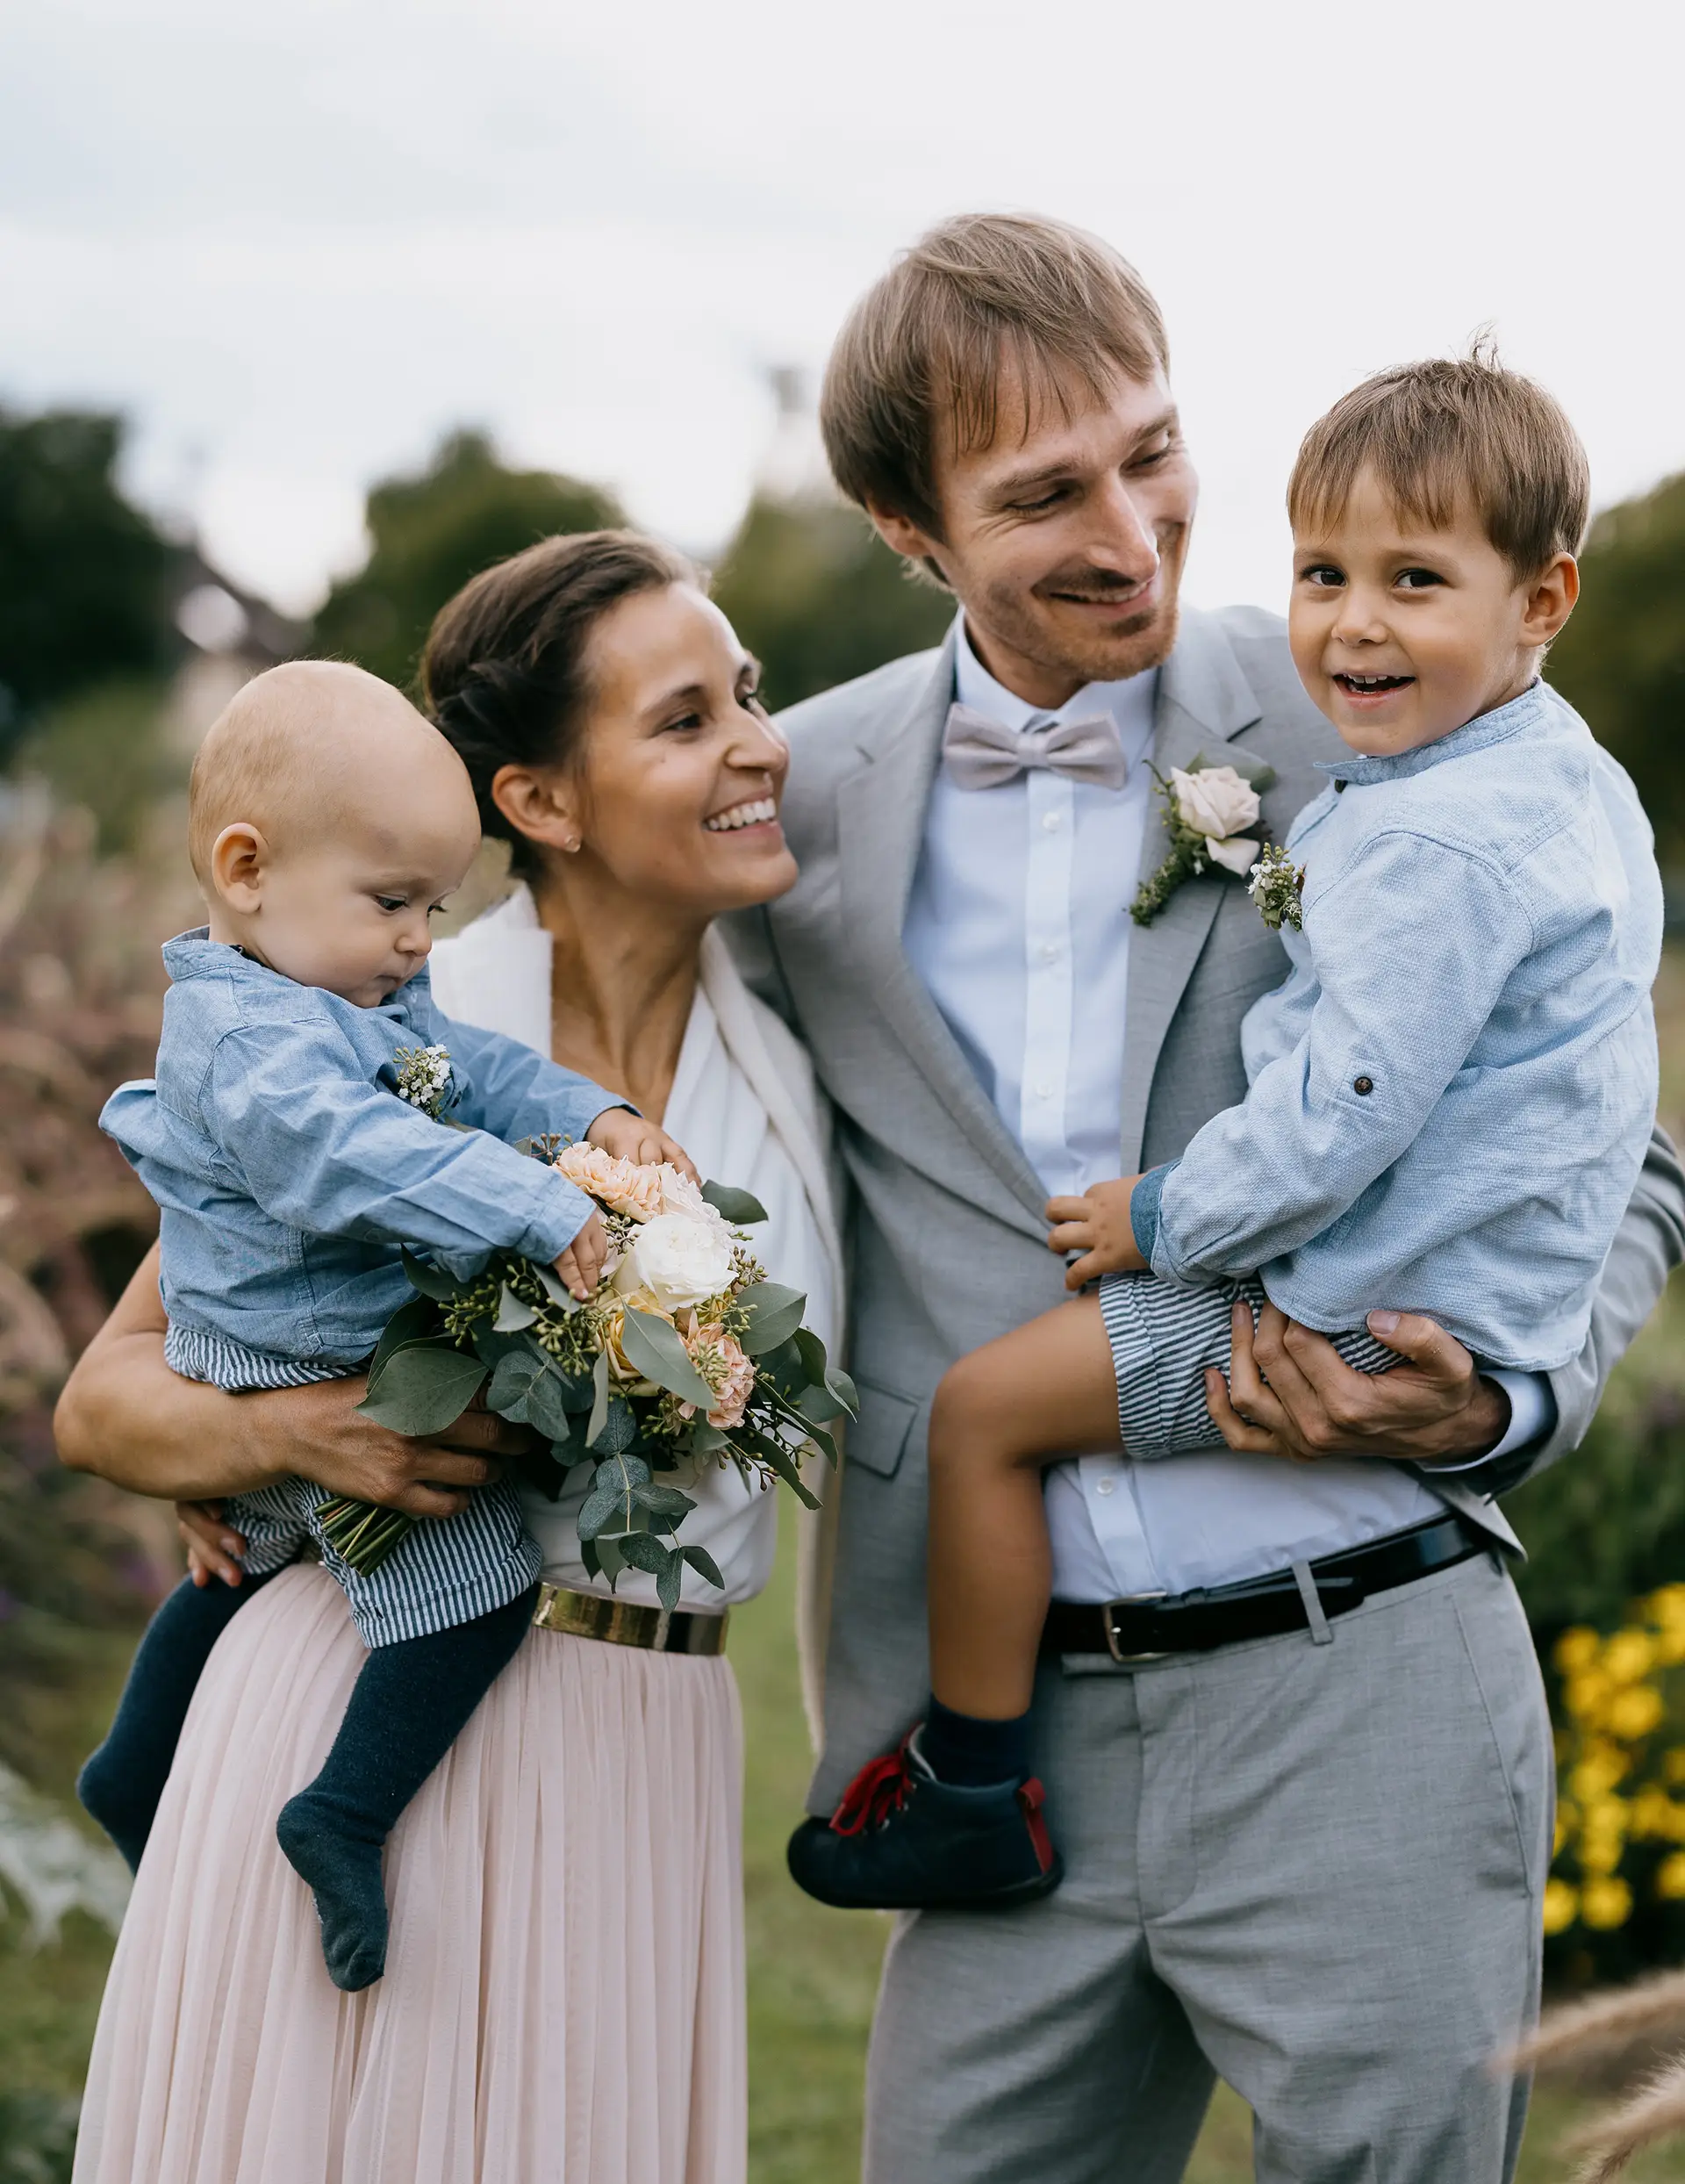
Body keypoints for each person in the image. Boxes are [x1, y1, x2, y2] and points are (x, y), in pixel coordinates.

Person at [730, 214, 1685, 2181]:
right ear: (915, 533)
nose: (1134, 527)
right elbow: (570, 1040)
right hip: (1007, 1733)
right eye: (1045, 493)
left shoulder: (1386, 700)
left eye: (1152, 450)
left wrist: (1505, 1391)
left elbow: (1629, 1143)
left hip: (1368, 1681)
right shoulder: (794, 801)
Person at [60, 531, 842, 2184]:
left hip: (661, 1739)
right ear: (542, 802)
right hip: (385, 1698)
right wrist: (299, 1438)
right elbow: (112, 1394)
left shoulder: (804, 1065)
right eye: (688, 719)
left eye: (752, 697)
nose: (762, 744)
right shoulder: (376, 1005)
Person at [80, 659, 690, 1992]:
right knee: (470, 1592)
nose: (418, 940)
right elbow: (344, 1155)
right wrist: (531, 1201)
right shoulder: (250, 1042)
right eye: (392, 902)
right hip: (299, 1355)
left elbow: (468, 1067)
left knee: (236, 1554)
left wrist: (587, 1116)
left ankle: (131, 1771)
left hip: (282, 1349)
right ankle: (342, 1813)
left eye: (434, 905)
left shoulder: (347, 992)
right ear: (247, 870)